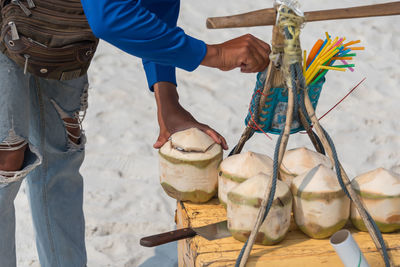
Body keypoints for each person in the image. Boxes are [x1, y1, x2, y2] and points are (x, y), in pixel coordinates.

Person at [0, 0, 271, 266]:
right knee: (6, 164)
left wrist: (168, 100)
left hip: (62, 29)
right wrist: (214, 54)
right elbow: (108, 15)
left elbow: (156, 5)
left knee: (59, 161)